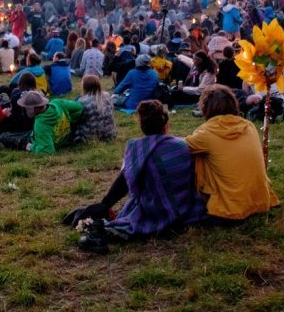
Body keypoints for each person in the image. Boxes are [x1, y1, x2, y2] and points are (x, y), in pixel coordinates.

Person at [74, 100, 204, 254]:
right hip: (184, 207)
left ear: (141, 126)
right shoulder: (182, 145)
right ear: (166, 125)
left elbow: (127, 179)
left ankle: (101, 229)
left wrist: (105, 204)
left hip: (154, 210)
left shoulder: (136, 148)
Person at [186, 85, 279, 222]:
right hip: (260, 201)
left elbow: (176, 147)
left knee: (197, 154)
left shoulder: (206, 134)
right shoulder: (249, 126)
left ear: (205, 107)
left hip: (229, 210)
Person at [11, 90, 83, 154]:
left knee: (6, 137)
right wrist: (70, 121)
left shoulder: (41, 124)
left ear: (33, 108)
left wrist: (30, 147)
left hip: (35, 139)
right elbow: (79, 108)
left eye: (27, 107)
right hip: (58, 138)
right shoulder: (57, 103)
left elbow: (48, 150)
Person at [71, 74, 116, 143]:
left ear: (85, 86)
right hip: (110, 134)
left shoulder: (82, 101)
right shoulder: (107, 95)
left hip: (90, 137)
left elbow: (77, 119)